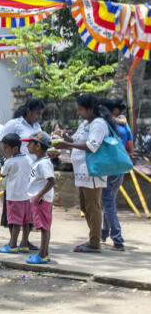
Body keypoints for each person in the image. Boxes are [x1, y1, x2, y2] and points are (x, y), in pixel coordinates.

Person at [53, 93, 112, 253]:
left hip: (92, 171)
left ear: (90, 109)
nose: (79, 112)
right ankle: (93, 238)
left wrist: (67, 143)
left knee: (93, 206)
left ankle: (95, 242)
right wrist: (66, 139)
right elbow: (76, 141)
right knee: (85, 206)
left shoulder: (99, 124)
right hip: (82, 171)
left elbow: (93, 145)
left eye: (81, 109)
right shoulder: (85, 123)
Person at [0, 97, 45, 245]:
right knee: (13, 205)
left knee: (29, 206)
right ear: (28, 111)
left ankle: (25, 240)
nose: (39, 117)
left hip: (32, 171)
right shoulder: (15, 124)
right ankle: (13, 240)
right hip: (16, 172)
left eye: (41, 114)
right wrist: (9, 158)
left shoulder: (37, 127)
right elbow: (0, 141)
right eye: (37, 113)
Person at [99, 98, 132, 251]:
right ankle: (103, 233)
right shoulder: (125, 126)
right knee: (109, 201)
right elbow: (130, 149)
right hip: (121, 168)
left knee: (107, 202)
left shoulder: (107, 125)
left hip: (109, 168)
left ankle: (117, 240)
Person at [23, 132, 56, 264]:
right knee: (43, 226)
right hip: (39, 198)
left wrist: (39, 195)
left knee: (43, 227)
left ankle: (42, 254)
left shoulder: (43, 163)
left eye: (30, 143)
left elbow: (52, 181)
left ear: (37, 145)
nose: (27, 145)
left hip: (41, 200)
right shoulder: (39, 161)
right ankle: (44, 253)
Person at [0, 133, 32, 253]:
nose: (4, 150)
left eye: (6, 148)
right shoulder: (28, 159)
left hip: (14, 196)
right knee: (27, 221)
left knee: (15, 222)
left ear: (15, 149)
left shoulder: (10, 161)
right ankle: (24, 243)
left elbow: (3, 174)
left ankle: (12, 244)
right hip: (27, 196)